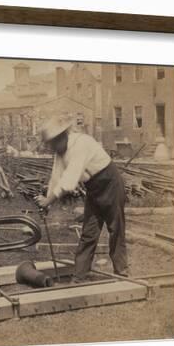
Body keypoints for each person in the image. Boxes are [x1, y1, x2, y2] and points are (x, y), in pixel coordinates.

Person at [35, 114, 129, 279]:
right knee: (89, 232)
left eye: (51, 144)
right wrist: (47, 204)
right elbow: (56, 177)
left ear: (61, 136)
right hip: (93, 188)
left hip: (110, 182)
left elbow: (70, 179)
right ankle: (79, 277)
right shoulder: (60, 152)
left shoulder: (80, 143)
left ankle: (122, 273)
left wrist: (49, 200)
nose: (51, 148)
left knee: (116, 229)